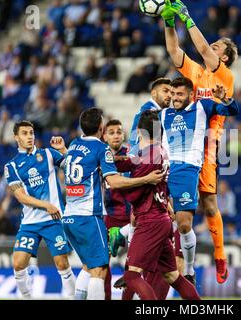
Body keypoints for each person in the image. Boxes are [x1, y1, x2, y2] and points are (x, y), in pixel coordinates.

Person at [161, 0, 238, 283]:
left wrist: (187, 17)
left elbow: (203, 49)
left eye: (218, 47)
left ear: (225, 58)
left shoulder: (223, 75)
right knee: (171, 204)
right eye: (214, 44)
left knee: (209, 205)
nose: (211, 47)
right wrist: (169, 20)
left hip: (208, 146)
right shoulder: (196, 74)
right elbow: (173, 50)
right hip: (182, 143)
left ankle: (220, 255)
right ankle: (176, 258)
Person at [58, 108, 163, 300]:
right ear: (101, 128)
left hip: (69, 217)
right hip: (89, 216)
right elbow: (114, 182)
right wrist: (146, 179)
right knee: (99, 270)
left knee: (89, 267)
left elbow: (71, 163)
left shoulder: (73, 144)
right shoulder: (101, 148)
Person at [114, 110, 200, 300]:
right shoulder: (157, 151)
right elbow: (130, 162)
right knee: (173, 276)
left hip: (150, 220)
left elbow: (134, 195)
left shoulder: (150, 156)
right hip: (161, 219)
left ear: (138, 130)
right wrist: (109, 160)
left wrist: (117, 183)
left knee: (132, 275)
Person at [4, 120, 75, 299]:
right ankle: (27, 297)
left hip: (54, 220)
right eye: (25, 133)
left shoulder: (48, 154)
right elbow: (20, 196)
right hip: (30, 222)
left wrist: (64, 150)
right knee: (19, 265)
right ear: (16, 138)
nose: (29, 137)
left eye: (31, 133)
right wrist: (46, 205)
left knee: (62, 263)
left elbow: (73, 167)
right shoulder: (11, 166)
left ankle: (74, 297)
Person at [101, 119, 132, 300]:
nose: (116, 135)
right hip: (109, 216)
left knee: (133, 266)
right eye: (111, 132)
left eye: (119, 132)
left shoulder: (132, 154)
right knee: (103, 264)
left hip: (132, 216)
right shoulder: (100, 155)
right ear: (104, 136)